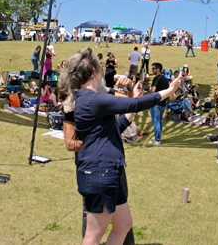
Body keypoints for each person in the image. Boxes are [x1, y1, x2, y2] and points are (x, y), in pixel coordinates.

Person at [68, 48, 185, 245]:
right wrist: (170, 90)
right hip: (100, 172)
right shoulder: (91, 98)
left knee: (123, 224)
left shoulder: (91, 99)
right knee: (93, 235)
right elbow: (134, 105)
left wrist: (134, 95)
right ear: (95, 72)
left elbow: (118, 125)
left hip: (109, 171)